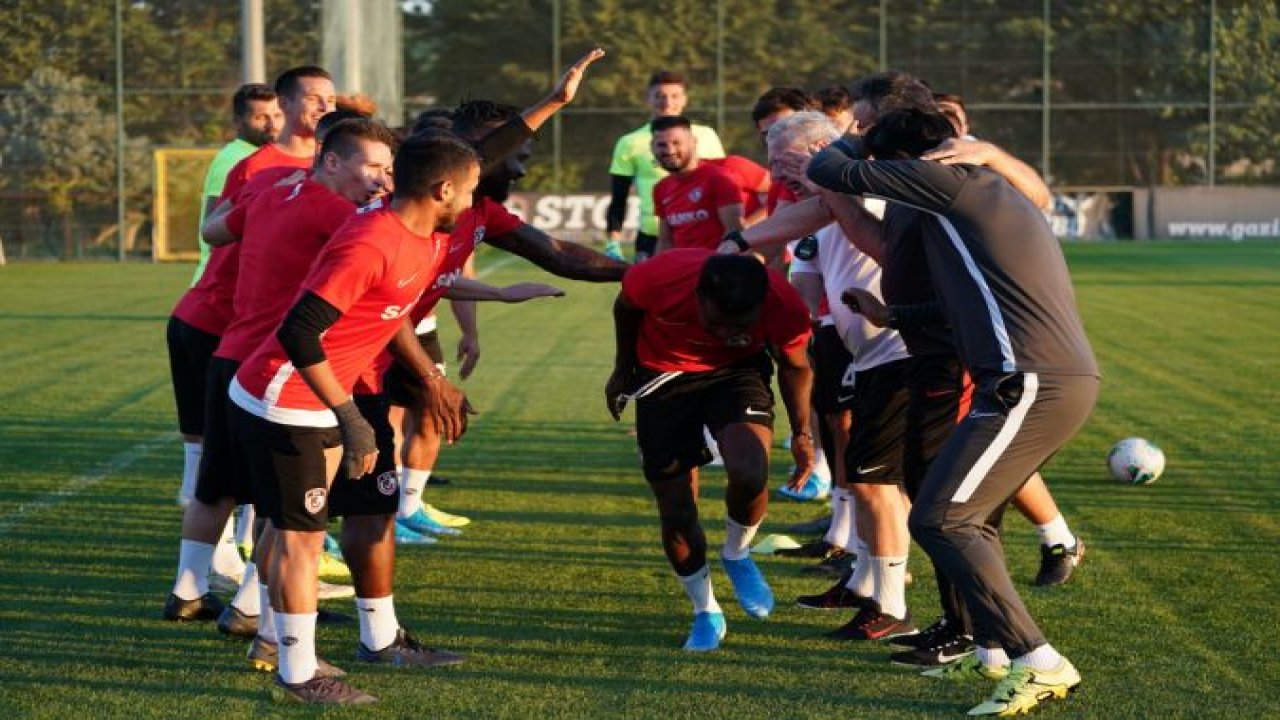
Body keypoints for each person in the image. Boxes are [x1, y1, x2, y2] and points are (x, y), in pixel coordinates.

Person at [808, 107, 1098, 716]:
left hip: (1030, 382)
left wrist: (844, 140)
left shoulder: (951, 180)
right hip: (1028, 380)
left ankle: (1040, 661)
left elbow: (829, 169)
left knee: (941, 519)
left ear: (902, 162)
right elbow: (964, 301)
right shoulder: (971, 196)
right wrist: (893, 316)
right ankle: (991, 648)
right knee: (969, 517)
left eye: (882, 164)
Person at [228, 131, 481, 704]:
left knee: (288, 529)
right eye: (469, 190)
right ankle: (298, 674)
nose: (471, 201)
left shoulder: (424, 237)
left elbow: (387, 310)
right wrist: (350, 417)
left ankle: (270, 640)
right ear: (444, 190)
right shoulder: (371, 241)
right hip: (286, 398)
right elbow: (299, 330)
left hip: (315, 397)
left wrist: (432, 379)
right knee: (301, 540)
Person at [174, 116, 395, 670]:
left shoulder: (276, 190)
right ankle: (267, 625)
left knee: (224, 489)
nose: (381, 179)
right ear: (332, 159)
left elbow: (214, 231)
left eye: (387, 168)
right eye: (372, 166)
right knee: (289, 513)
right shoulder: (337, 213)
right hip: (277, 368)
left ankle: (200, 594)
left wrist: (261, 217)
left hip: (232, 355)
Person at [723, 112, 918, 640]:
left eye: (782, 160)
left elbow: (835, 216)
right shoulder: (822, 204)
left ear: (818, 150)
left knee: (880, 483)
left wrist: (739, 242)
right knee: (868, 478)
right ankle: (866, 584)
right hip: (868, 356)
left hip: (901, 353)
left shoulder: (863, 188)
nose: (773, 173)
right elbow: (806, 268)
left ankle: (892, 606)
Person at [163, 67, 341, 623]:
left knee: (223, 474)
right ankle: (254, 602)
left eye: (331, 99)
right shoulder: (264, 169)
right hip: (231, 328)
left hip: (237, 332)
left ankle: (194, 592)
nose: (325, 107)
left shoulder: (310, 178)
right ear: (284, 104)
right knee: (268, 480)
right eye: (315, 98)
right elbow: (216, 229)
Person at [606, 251, 814, 652]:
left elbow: (795, 367)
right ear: (698, 298)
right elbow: (625, 308)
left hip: (736, 375)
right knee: (676, 507)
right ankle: (705, 610)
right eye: (717, 323)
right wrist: (622, 369)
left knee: (751, 471)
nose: (726, 334)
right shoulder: (661, 277)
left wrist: (802, 434)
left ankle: (736, 554)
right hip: (663, 376)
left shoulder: (783, 303)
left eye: (740, 326)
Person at [606, 71, 725, 261]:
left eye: (674, 96)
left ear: (684, 99)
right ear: (648, 99)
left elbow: (724, 186)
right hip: (651, 237)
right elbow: (619, 198)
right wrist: (613, 242)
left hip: (702, 233)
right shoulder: (629, 142)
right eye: (660, 96)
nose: (667, 102)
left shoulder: (706, 135)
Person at [191, 84, 283, 285]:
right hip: (220, 284)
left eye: (277, 115)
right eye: (261, 118)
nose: (272, 124)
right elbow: (212, 226)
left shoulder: (267, 155)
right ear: (238, 121)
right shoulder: (233, 160)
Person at [650, 116, 743, 254]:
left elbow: (734, 232)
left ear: (693, 142)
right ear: (652, 147)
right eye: (662, 145)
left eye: (676, 143)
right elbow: (665, 241)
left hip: (715, 263)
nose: (670, 151)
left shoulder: (719, 178)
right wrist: (658, 266)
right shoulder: (661, 188)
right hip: (682, 264)